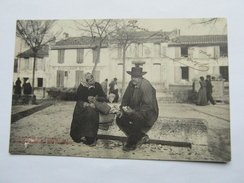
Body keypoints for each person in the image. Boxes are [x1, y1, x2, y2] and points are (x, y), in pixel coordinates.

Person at [116, 67, 159, 151]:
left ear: (140, 77)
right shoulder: (131, 84)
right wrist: (122, 109)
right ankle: (141, 136)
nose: (133, 79)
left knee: (137, 118)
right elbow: (125, 99)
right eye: (132, 76)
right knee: (119, 118)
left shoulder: (145, 86)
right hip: (135, 110)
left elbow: (148, 105)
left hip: (149, 112)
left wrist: (133, 111)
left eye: (136, 77)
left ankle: (131, 143)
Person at [70, 73, 107, 146]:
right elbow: (78, 99)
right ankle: (79, 135)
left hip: (94, 106)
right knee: (79, 112)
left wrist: (96, 99)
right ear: (86, 81)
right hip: (83, 106)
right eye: (89, 80)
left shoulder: (97, 85)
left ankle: (90, 137)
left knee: (90, 112)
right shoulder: (81, 87)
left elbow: (104, 97)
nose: (91, 81)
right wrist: (84, 103)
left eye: (92, 78)